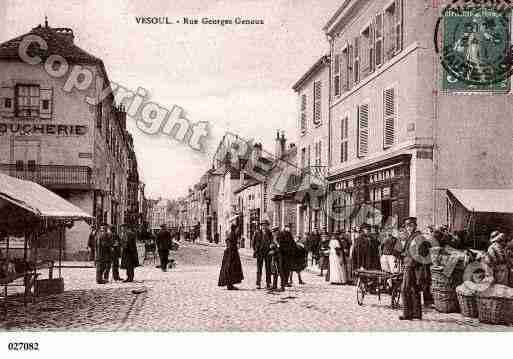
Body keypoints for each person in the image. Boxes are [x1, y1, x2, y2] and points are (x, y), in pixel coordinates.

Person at [399, 217, 429, 321]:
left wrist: (412, 260)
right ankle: (416, 314)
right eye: (407, 226)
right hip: (413, 265)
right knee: (414, 289)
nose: (408, 228)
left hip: (412, 266)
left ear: (415, 226)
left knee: (405, 289)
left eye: (410, 226)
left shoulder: (417, 237)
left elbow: (423, 252)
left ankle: (407, 314)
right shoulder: (413, 236)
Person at [218, 223, 244, 290]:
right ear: (234, 228)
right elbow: (229, 243)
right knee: (230, 269)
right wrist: (235, 247)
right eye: (237, 228)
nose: (238, 230)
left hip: (231, 253)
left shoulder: (233, 234)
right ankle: (229, 285)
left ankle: (230, 284)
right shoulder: (232, 235)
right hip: (231, 254)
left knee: (232, 269)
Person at [253, 220, 272, 289]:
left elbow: (271, 242)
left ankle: (268, 283)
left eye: (266, 225)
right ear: (261, 226)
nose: (264, 226)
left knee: (268, 269)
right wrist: (255, 250)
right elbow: (254, 243)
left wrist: (271, 250)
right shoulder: (257, 232)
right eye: (263, 225)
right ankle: (258, 283)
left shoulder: (269, 233)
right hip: (260, 252)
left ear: (267, 226)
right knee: (259, 269)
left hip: (267, 252)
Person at [279, 224, 296, 288]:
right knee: (282, 269)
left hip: (289, 255)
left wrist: (293, 250)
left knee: (287, 269)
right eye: (287, 227)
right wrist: (286, 249)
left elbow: (293, 243)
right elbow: (280, 244)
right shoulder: (281, 234)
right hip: (282, 255)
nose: (288, 229)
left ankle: (286, 282)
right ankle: (282, 282)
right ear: (285, 228)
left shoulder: (289, 235)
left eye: (289, 228)